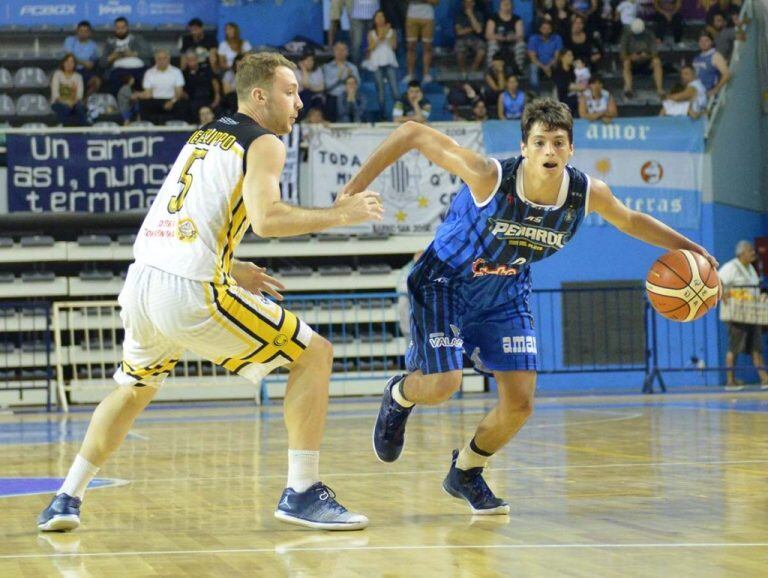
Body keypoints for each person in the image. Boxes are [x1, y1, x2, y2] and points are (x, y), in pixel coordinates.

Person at [37, 51, 381, 534]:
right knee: (315, 354)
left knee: (134, 388)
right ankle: (302, 491)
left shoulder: (207, 133)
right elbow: (267, 220)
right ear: (258, 96)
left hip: (143, 280)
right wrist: (339, 215)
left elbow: (184, 216)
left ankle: (65, 499)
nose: (299, 102)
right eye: (290, 92)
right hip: (187, 291)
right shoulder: (264, 143)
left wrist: (231, 265)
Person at [340, 97, 717, 515]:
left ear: (571, 149)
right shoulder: (489, 178)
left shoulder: (585, 193)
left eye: (558, 142)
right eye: (539, 142)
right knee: (444, 384)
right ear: (524, 147)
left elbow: (629, 220)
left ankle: (466, 470)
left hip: (506, 290)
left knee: (520, 403)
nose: (549, 152)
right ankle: (399, 395)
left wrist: (690, 247)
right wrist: (353, 190)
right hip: (445, 281)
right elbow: (411, 132)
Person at [719, 240, 768, 390]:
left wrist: (761, 296)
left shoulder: (751, 269)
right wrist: (722, 294)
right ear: (741, 253)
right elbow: (716, 282)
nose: (753, 253)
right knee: (734, 348)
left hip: (751, 315)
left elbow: (753, 288)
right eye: (750, 250)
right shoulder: (730, 267)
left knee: (756, 347)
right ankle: (730, 381)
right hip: (735, 314)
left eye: (753, 250)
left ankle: (764, 379)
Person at [100, 17, 152, 94]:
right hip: (119, 70)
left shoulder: (137, 39)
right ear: (115, 29)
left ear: (127, 28)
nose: (120, 30)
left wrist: (134, 54)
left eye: (123, 27)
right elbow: (102, 63)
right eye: (118, 28)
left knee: (144, 77)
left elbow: (149, 53)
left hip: (138, 69)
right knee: (114, 78)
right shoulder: (110, 43)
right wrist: (111, 57)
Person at [363, 10, 400, 120]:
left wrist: (387, 35)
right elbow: (371, 47)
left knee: (395, 89)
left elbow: (394, 46)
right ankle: (383, 114)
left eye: (382, 16)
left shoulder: (392, 31)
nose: (380, 19)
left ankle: (399, 113)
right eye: (377, 17)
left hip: (389, 62)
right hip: (376, 63)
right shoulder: (371, 33)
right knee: (381, 90)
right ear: (374, 20)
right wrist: (381, 35)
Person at [138, 49, 187, 125]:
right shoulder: (149, 73)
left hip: (172, 100)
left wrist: (172, 102)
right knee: (144, 104)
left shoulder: (176, 72)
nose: (162, 61)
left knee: (181, 104)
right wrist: (138, 95)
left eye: (164, 58)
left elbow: (179, 92)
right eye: (159, 59)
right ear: (155, 60)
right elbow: (148, 93)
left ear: (169, 59)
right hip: (155, 101)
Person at [619, 18, 664, 99]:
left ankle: (660, 89)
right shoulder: (626, 36)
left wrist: (647, 56)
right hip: (632, 63)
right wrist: (632, 57)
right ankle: (628, 89)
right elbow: (622, 56)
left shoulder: (650, 34)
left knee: (657, 62)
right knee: (626, 63)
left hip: (647, 61)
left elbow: (655, 53)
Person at [322, 42, 361, 121]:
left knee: (355, 99)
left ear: (347, 52)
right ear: (334, 51)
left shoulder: (352, 67)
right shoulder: (327, 67)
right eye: (338, 49)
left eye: (343, 50)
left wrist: (350, 80)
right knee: (330, 101)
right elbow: (327, 87)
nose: (340, 52)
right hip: (333, 97)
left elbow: (358, 84)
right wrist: (339, 78)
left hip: (348, 96)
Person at [485, 0, 527, 72]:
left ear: (512, 6)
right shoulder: (493, 18)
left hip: (512, 43)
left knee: (521, 44)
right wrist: (498, 37)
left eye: (508, 4)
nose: (506, 7)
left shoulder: (517, 19)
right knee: (492, 44)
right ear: (500, 6)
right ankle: (492, 70)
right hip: (498, 43)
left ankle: (518, 70)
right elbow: (488, 35)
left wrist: (512, 37)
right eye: (504, 4)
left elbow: (520, 35)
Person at [405, 0, 440, 83]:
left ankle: (426, 75)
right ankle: (410, 74)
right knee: (410, 46)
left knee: (427, 46)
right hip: (412, 16)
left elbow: (436, 2)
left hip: (428, 17)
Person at [63, 20, 101, 96]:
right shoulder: (69, 40)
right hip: (71, 68)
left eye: (86, 31)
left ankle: (86, 101)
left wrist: (90, 64)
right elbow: (70, 57)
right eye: (81, 31)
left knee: (96, 82)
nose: (83, 33)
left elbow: (94, 62)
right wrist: (84, 63)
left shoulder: (93, 46)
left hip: (85, 70)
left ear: (89, 33)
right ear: (77, 31)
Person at [182, 51, 221, 124]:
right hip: (193, 99)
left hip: (208, 97)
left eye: (193, 59)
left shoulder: (206, 68)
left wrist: (217, 96)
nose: (191, 62)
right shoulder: (184, 73)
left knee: (219, 109)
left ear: (197, 59)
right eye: (189, 60)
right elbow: (182, 88)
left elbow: (214, 81)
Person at [50, 54, 88, 126]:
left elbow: (79, 95)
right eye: (67, 62)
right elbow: (55, 95)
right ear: (63, 63)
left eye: (72, 62)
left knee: (80, 108)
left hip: (74, 103)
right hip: (59, 102)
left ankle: (83, 132)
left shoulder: (78, 77)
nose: (69, 64)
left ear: (74, 64)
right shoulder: (57, 74)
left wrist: (72, 102)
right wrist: (66, 102)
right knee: (65, 108)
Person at [527, 19, 563, 90]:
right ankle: (535, 92)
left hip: (552, 64)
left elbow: (556, 57)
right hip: (538, 64)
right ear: (540, 29)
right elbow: (533, 58)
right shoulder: (533, 39)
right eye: (544, 28)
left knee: (559, 64)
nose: (546, 30)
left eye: (548, 28)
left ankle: (557, 90)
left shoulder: (557, 38)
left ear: (551, 30)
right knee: (533, 67)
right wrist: (544, 67)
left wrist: (549, 66)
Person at [693, 31, 730, 99]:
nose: (703, 43)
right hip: (698, 94)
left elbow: (726, 74)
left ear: (711, 42)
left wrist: (716, 89)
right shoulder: (697, 58)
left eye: (706, 40)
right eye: (701, 41)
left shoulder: (715, 56)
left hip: (710, 95)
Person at [454, 0, 487, 76]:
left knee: (482, 50)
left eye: (470, 2)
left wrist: (471, 15)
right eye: (466, 2)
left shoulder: (479, 15)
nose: (468, 4)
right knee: (459, 51)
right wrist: (472, 28)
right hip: (462, 39)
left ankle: (473, 69)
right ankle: (463, 71)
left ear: (473, 3)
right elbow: (459, 32)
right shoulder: (459, 16)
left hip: (475, 39)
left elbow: (478, 30)